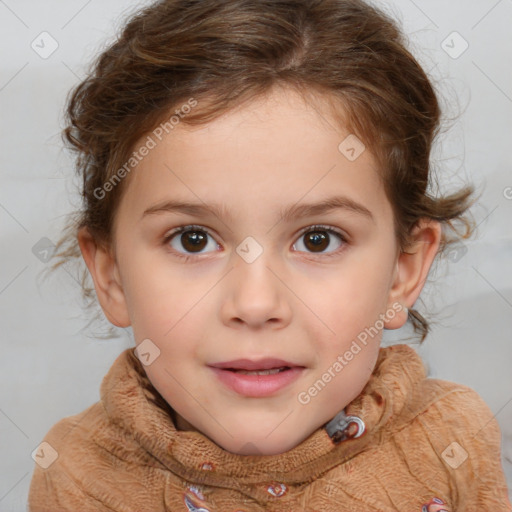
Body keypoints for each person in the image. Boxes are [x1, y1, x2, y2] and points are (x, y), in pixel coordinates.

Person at [27, 0, 511, 510]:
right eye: (193, 239)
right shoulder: (76, 474)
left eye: (318, 239)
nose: (255, 303)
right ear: (112, 276)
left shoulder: (449, 441)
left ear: (402, 271)